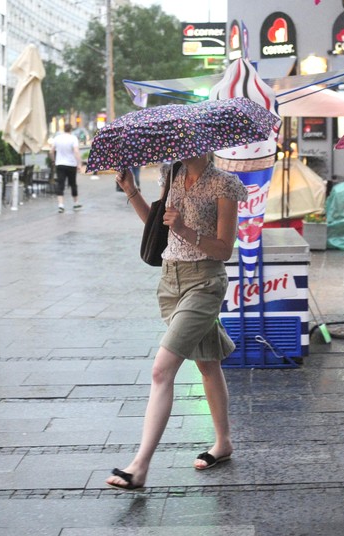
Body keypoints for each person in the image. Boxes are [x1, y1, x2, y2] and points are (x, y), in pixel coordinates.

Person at [106, 154, 247, 490]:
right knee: (207, 363)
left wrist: (185, 229)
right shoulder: (171, 174)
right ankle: (223, 442)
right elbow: (157, 226)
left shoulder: (224, 184)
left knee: (161, 370)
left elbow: (224, 249)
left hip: (204, 283)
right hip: (170, 283)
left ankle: (139, 467)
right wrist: (131, 190)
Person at [49, 124, 82, 213]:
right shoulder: (73, 138)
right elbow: (76, 151)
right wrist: (79, 164)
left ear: (64, 129)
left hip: (60, 164)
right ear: (71, 130)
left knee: (61, 184)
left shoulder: (57, 138)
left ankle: (61, 205)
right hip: (71, 164)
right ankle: (76, 203)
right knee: (73, 184)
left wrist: (53, 161)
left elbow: (51, 151)